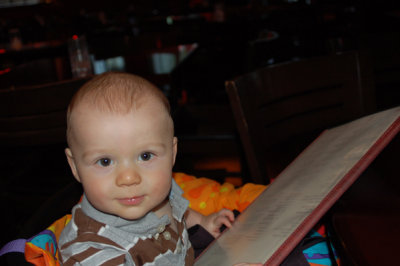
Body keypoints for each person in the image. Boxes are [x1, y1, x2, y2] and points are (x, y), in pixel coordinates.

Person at [58, 72, 236, 265]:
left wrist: (204, 223)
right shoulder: (91, 249)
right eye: (105, 161)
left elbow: (179, 212)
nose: (129, 178)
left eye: (145, 156)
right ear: (74, 166)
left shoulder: (159, 193)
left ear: (172, 153)